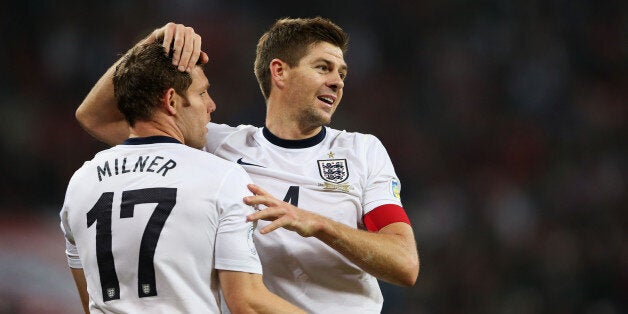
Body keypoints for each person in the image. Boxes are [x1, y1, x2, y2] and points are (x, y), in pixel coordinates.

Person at [76, 18, 419, 313]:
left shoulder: (361, 151)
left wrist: (317, 224)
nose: (338, 81)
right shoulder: (218, 147)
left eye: (341, 72)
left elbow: (404, 263)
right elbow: (97, 118)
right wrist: (154, 44)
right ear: (279, 71)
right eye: (323, 67)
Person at [60, 32, 304, 313]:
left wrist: (151, 42)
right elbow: (246, 302)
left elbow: (90, 302)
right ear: (172, 101)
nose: (211, 105)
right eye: (202, 93)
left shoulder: (81, 183)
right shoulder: (221, 177)